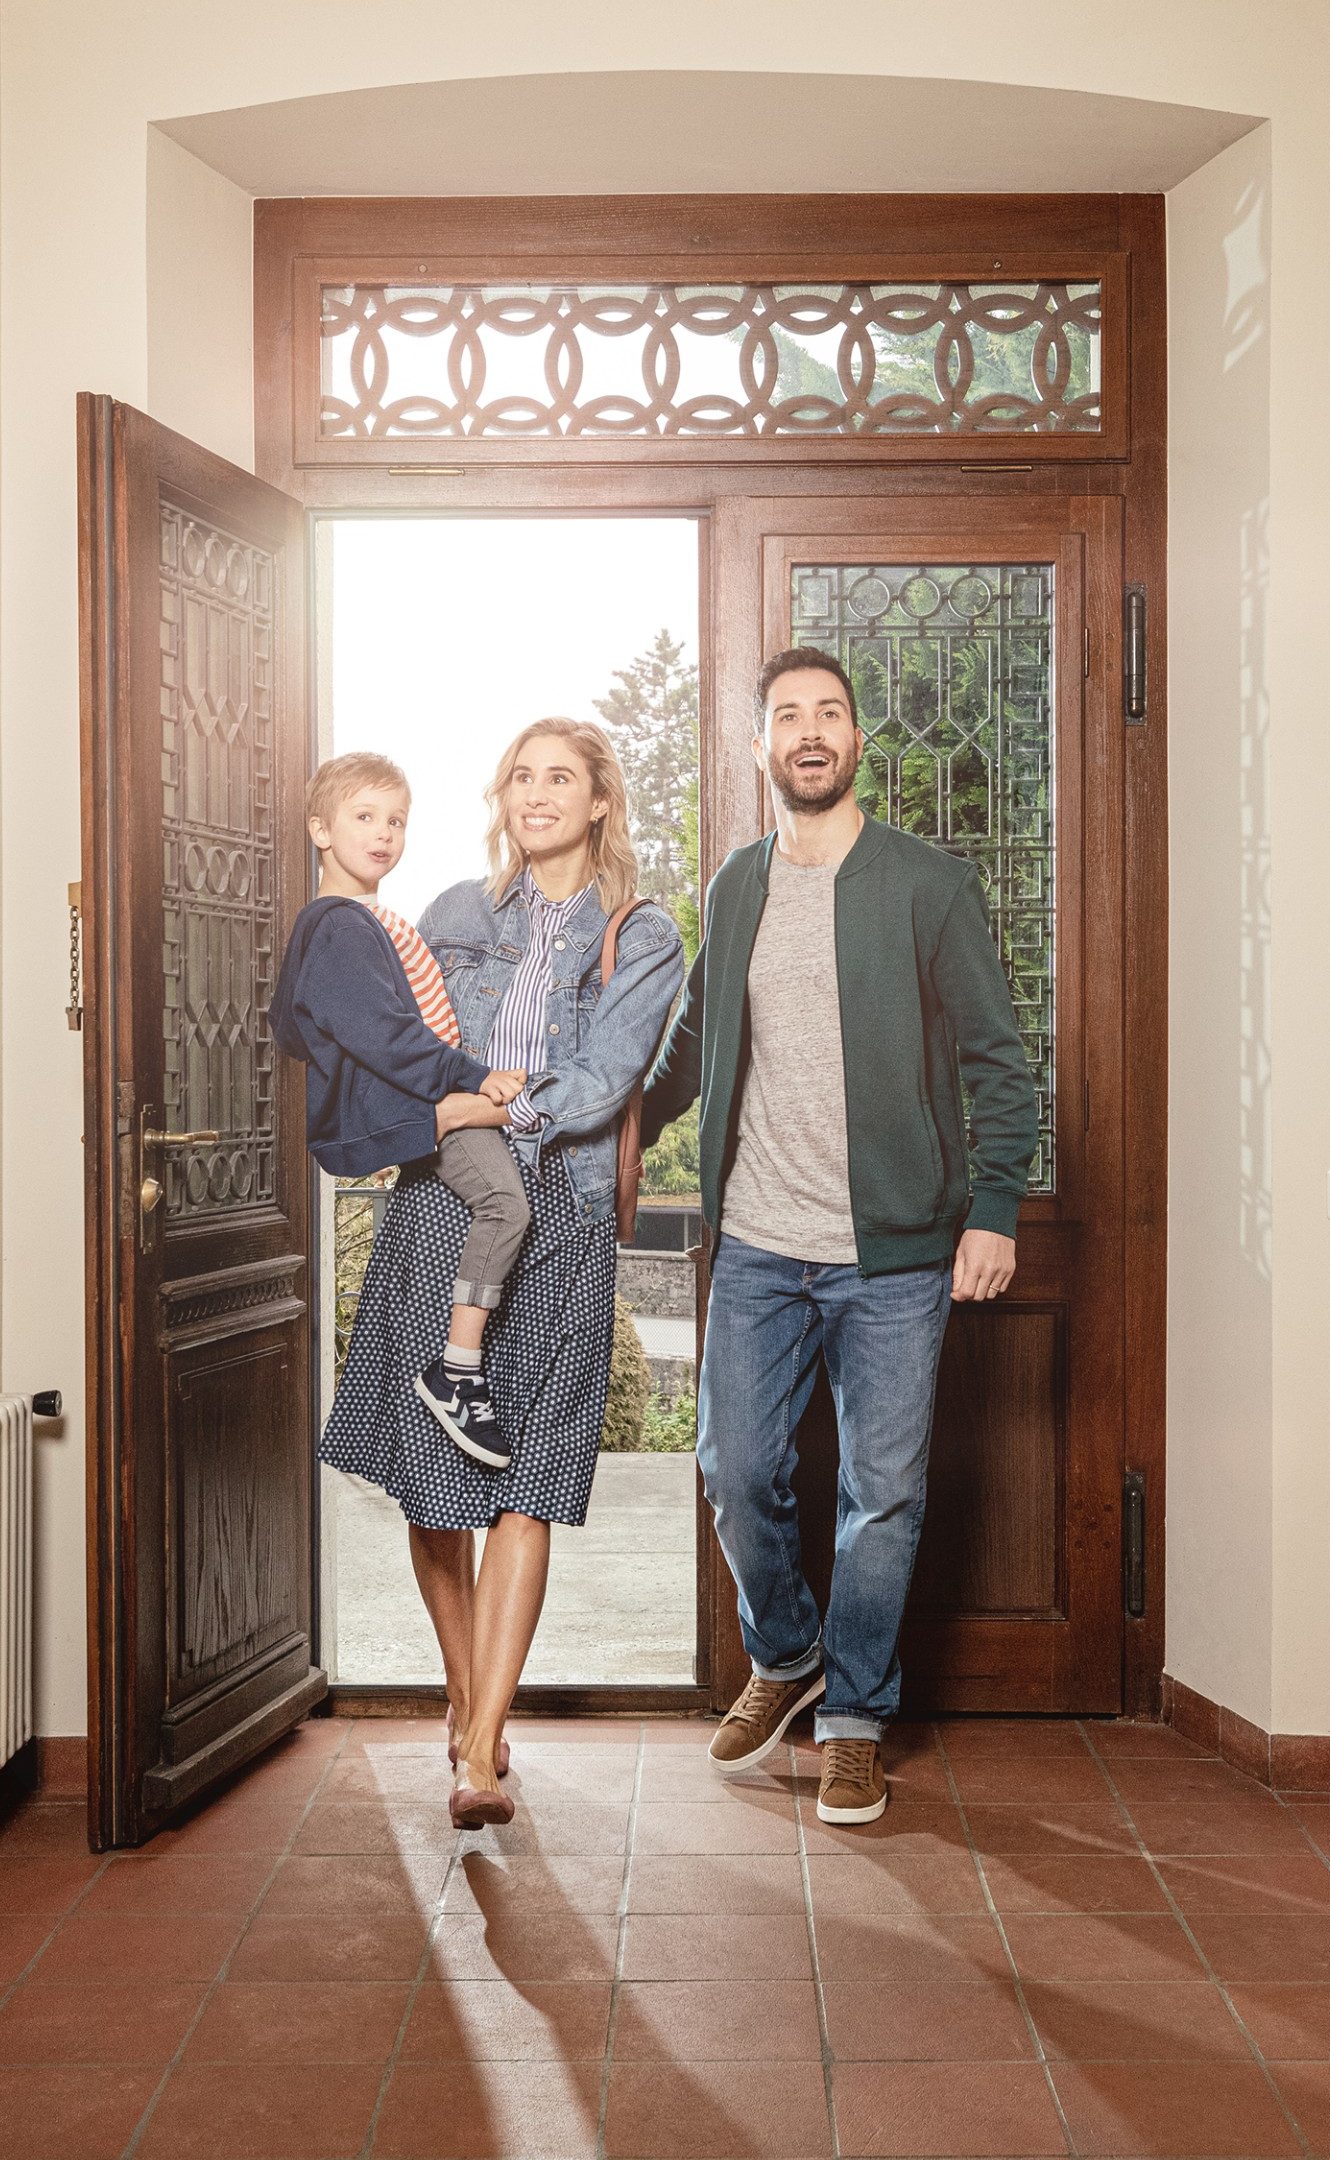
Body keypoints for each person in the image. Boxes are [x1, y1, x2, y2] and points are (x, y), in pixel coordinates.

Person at [639, 645, 1036, 1827]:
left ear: (859, 743)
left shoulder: (929, 883)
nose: (809, 732)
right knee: (736, 1467)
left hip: (897, 1258)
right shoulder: (736, 888)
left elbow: (998, 1065)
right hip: (757, 1242)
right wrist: (585, 1130)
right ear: (759, 748)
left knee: (883, 1495)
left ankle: (856, 1716)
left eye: (830, 714)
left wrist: (996, 1209)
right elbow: (687, 1053)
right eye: (786, 717)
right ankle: (790, 1651)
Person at [309, 718, 685, 1828]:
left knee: (525, 1482)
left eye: (560, 777)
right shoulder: (454, 916)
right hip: (441, 1203)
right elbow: (390, 1042)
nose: (536, 793)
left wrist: (491, 1100)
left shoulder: (642, 932)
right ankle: (474, 1706)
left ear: (600, 801)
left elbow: (606, 1074)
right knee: (436, 1484)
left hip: (560, 1218)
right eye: (520, 775)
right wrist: (433, 1112)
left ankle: (477, 1748)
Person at [274, 752, 535, 1471]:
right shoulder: (338, 926)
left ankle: (457, 1363)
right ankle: (456, 1368)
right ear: (319, 830)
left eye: (397, 820)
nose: (384, 833)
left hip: (428, 1097)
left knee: (500, 1201)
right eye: (364, 817)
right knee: (507, 1208)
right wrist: (473, 1081)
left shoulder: (364, 919)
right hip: (430, 1100)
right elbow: (387, 1037)